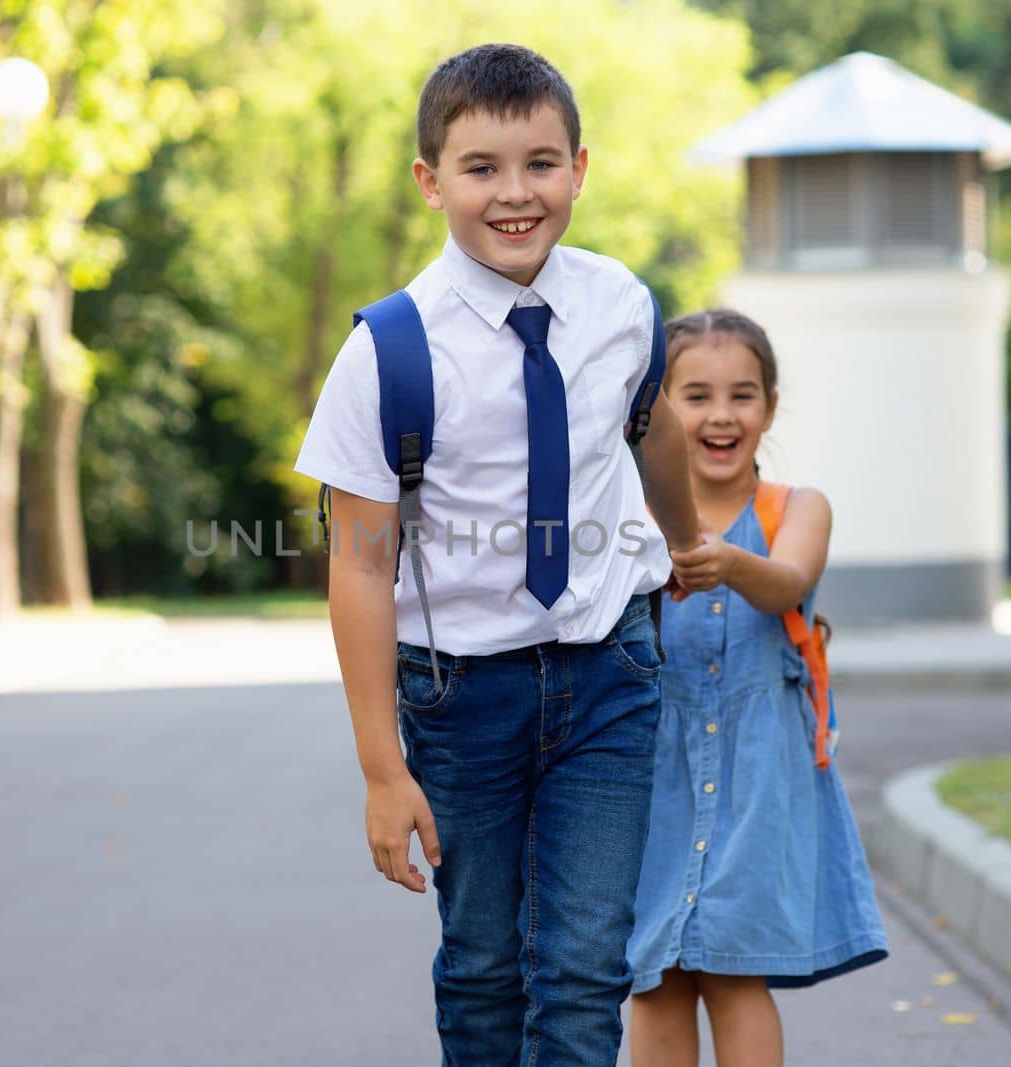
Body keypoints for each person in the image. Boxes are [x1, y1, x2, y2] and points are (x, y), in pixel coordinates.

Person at [294, 43, 701, 1065]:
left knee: (583, 966)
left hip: (610, 674)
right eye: (481, 168)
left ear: (580, 167)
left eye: (541, 163)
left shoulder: (623, 306)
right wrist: (381, 770)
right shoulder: (387, 351)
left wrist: (687, 546)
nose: (515, 193)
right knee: (483, 964)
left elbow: (647, 435)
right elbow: (356, 566)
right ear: (431, 180)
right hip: (459, 694)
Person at [626, 309, 888, 1067]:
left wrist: (728, 564)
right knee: (656, 975)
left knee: (736, 972)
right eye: (695, 394)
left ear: (769, 408)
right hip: (653, 776)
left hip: (760, 779)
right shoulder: (630, 516)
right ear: (658, 409)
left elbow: (788, 582)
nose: (720, 414)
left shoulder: (794, 509)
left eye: (742, 395)